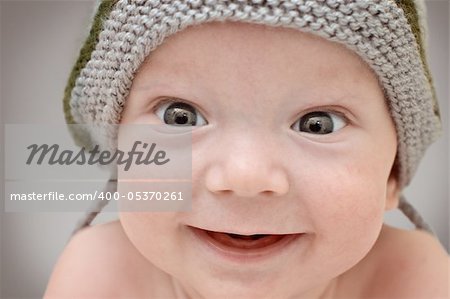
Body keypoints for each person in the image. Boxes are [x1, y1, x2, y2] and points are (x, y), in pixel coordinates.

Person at [45, 1, 448, 298]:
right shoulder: (99, 276)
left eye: (317, 124)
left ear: (392, 174)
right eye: (179, 116)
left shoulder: (413, 279)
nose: (245, 176)